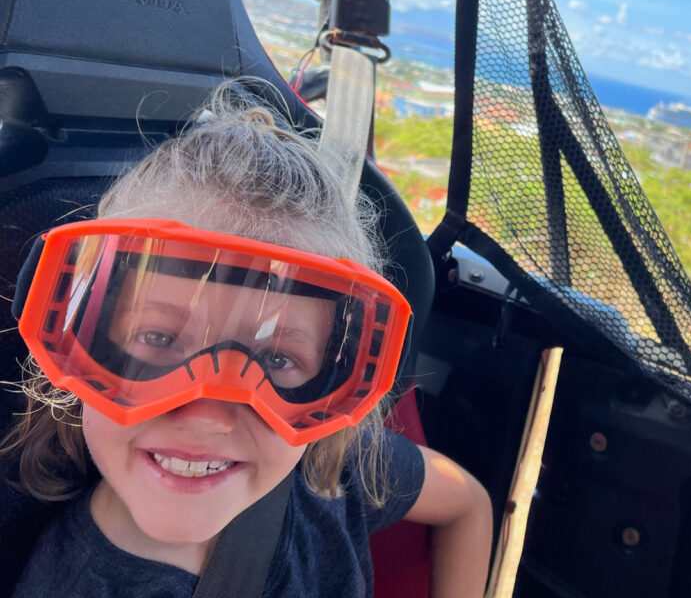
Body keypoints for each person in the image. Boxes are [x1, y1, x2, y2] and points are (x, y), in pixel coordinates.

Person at [1, 84, 493, 597]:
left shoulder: (327, 468)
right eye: (156, 338)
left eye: (276, 358)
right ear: (75, 342)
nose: (209, 413)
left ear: (333, 379)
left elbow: (466, 502)